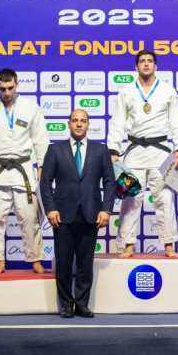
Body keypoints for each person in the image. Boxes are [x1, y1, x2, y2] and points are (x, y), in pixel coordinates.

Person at [108, 50, 178, 259]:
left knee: (164, 198)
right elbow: (117, 121)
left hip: (160, 151)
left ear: (156, 66)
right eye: (142, 61)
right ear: (136, 66)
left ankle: (169, 245)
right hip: (134, 151)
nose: (146, 64)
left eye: (150, 61)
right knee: (131, 198)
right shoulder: (127, 91)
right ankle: (128, 245)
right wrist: (113, 151)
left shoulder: (167, 90)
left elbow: (176, 120)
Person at [40, 110, 116, 318]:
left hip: (91, 214)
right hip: (62, 215)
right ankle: (66, 304)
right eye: (75, 121)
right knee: (63, 263)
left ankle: (82, 304)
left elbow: (110, 182)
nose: (79, 124)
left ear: (88, 124)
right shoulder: (55, 150)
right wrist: (50, 208)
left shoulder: (101, 150)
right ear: (69, 124)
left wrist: (106, 209)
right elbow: (45, 182)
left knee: (85, 262)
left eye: (83, 121)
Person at [0, 68, 48, 274]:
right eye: (3, 88)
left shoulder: (30, 107)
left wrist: (42, 166)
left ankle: (35, 259)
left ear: (17, 84)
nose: (6, 92)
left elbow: (40, 138)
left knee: (29, 217)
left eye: (10, 88)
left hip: (23, 169)